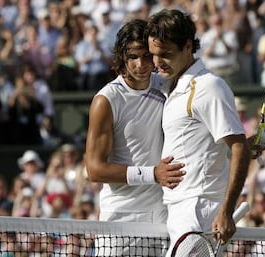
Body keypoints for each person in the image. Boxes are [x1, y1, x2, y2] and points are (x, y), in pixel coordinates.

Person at [146, 8, 251, 254]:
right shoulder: (169, 84)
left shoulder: (208, 87)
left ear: (187, 47)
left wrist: (226, 210)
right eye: (153, 54)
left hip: (199, 211)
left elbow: (239, 147)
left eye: (165, 54)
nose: (157, 62)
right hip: (176, 210)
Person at [85, 19, 185, 256]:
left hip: (160, 215)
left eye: (147, 56)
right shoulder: (106, 100)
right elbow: (94, 170)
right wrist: (154, 174)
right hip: (120, 217)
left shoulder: (168, 87)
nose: (141, 64)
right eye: (133, 57)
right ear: (122, 57)